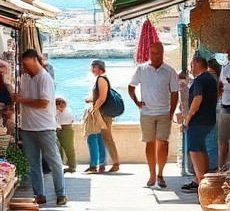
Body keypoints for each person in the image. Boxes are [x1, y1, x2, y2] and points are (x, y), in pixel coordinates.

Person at [13, 48, 67, 206]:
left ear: (34, 61)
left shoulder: (45, 78)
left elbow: (44, 103)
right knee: (33, 164)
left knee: (54, 162)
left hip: (45, 128)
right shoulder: (24, 77)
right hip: (27, 128)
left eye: (25, 64)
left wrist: (21, 100)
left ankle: (61, 193)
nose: (24, 68)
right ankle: (39, 195)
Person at [129, 41, 179, 188]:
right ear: (149, 54)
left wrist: (171, 112)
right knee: (149, 143)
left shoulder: (169, 71)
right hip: (147, 113)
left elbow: (175, 93)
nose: (155, 56)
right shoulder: (142, 69)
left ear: (163, 54)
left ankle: (160, 174)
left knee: (163, 143)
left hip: (164, 112)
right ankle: (151, 174)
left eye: (157, 53)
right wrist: (138, 103)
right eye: (152, 53)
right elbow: (131, 87)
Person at [179, 54, 219, 192]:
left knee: (194, 151)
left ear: (196, 65)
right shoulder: (211, 79)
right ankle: (201, 179)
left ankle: (200, 181)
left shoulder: (200, 80)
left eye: (191, 65)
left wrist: (188, 118)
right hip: (209, 119)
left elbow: (197, 99)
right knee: (201, 149)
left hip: (198, 120)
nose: (191, 68)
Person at [85, 59, 120, 173]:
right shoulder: (100, 79)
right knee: (104, 138)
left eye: (93, 67)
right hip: (102, 112)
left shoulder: (101, 79)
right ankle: (104, 164)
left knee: (108, 138)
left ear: (99, 68)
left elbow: (102, 97)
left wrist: (94, 109)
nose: (92, 69)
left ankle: (116, 163)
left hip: (103, 113)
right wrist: (90, 100)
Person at [54, 98, 77, 173]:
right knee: (63, 148)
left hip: (65, 128)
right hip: (62, 128)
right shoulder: (60, 111)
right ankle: (68, 165)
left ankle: (71, 166)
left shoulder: (64, 111)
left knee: (68, 148)